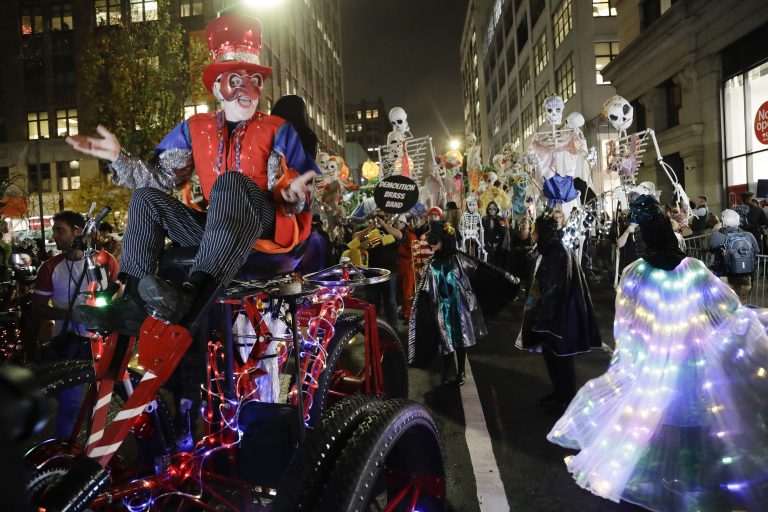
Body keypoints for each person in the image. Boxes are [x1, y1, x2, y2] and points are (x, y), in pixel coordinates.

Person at [65, 14, 318, 334]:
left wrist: (292, 196)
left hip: (261, 222)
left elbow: (293, 188)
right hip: (218, 228)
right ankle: (131, 303)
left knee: (231, 182)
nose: (245, 89)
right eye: (234, 80)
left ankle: (192, 295)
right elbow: (161, 180)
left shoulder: (277, 129)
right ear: (215, 86)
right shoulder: (195, 129)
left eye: (253, 78)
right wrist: (119, 157)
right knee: (146, 199)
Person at [548, 195, 768, 511]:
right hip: (693, 359)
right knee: (693, 416)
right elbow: (728, 307)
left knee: (658, 415)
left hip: (654, 362)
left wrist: (630, 356)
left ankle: (662, 474)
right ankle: (691, 475)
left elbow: (626, 323)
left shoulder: (636, 273)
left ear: (645, 238)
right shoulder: (693, 268)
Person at [32, 211, 119, 437]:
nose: (55, 236)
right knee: (70, 406)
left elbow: (118, 294)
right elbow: (38, 307)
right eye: (54, 231)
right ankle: (66, 454)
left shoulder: (104, 262)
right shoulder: (50, 267)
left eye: (60, 230)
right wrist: (72, 315)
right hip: (69, 347)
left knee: (99, 407)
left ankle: (96, 458)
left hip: (102, 345)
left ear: (78, 232)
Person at [516, 215, 603, 412]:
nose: (533, 235)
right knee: (551, 355)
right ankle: (559, 393)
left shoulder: (558, 253)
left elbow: (555, 287)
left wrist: (544, 313)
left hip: (560, 317)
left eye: (535, 230)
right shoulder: (550, 250)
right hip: (551, 315)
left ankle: (566, 399)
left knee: (561, 358)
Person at [410, 221, 486, 385]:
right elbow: (425, 287)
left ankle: (461, 371)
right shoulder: (432, 263)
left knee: (460, 339)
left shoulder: (458, 258)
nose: (431, 245)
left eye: (434, 241)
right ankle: (448, 370)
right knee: (445, 340)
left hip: (458, 307)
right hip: (441, 308)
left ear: (444, 240)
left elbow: (476, 272)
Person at [354, 209, 402, 327]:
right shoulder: (368, 231)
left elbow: (399, 235)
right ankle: (374, 327)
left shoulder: (390, 230)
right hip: (371, 273)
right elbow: (355, 238)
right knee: (372, 302)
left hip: (389, 272)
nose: (378, 218)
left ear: (386, 216)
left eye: (382, 216)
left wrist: (384, 224)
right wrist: (370, 227)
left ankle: (393, 328)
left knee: (390, 301)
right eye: (376, 216)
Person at [708, 208, 759, 304]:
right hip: (746, 278)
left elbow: (710, 248)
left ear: (723, 222)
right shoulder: (749, 236)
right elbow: (756, 251)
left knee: (725, 308)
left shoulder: (716, 236)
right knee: (741, 306)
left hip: (724, 279)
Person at [395, 214, 417, 322]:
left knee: (407, 292)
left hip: (408, 266)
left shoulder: (410, 235)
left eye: (398, 223)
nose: (396, 225)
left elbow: (413, 252)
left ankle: (409, 315)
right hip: (400, 266)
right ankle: (405, 313)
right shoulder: (399, 235)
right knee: (401, 291)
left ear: (403, 223)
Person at [508, 216, 535, 291]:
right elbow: (514, 246)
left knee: (528, 278)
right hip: (517, 259)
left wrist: (528, 248)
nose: (523, 224)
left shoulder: (532, 236)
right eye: (522, 223)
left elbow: (534, 247)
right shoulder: (516, 234)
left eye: (525, 223)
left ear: (529, 225)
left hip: (528, 260)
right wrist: (525, 248)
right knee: (517, 276)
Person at [482, 201, 507, 266]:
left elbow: (504, 231)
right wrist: (487, 243)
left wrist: (497, 242)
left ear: (496, 210)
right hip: (487, 245)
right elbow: (482, 232)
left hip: (498, 245)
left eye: (494, 209)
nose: (492, 211)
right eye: (490, 209)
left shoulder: (500, 219)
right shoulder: (484, 219)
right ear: (487, 209)